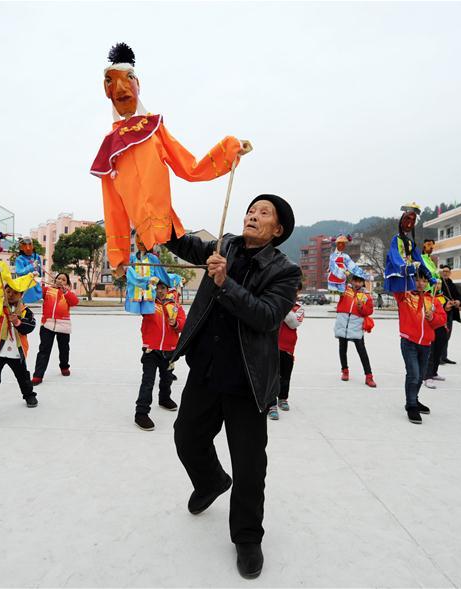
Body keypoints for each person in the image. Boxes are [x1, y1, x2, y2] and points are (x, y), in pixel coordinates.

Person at [165, 194, 300, 579]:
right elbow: (185, 243)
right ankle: (210, 481)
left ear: (278, 230)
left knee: (249, 466)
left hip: (247, 380)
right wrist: (158, 219)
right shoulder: (224, 244)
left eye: (263, 213)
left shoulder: (285, 270)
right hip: (206, 370)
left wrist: (225, 282)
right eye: (251, 210)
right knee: (186, 436)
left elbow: (267, 316)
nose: (252, 216)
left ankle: (246, 537)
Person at [90, 42, 252, 273]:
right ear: (106, 91)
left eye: (128, 78)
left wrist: (230, 150)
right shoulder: (110, 149)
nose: (120, 88)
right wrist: (119, 255)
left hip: (164, 222)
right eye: (111, 82)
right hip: (143, 230)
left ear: (138, 84)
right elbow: (113, 207)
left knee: (198, 250)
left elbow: (190, 167)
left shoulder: (154, 130)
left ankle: (239, 258)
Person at [0, 282, 39, 428]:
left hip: (16, 352)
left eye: (16, 293)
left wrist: (17, 321)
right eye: (8, 291)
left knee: (23, 377)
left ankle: (29, 395)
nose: (11, 295)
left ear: (21, 295)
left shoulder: (25, 311)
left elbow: (30, 327)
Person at [394, 267, 446, 424]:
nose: (420, 283)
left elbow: (441, 320)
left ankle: (414, 399)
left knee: (420, 376)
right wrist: (407, 268)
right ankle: (411, 406)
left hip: (426, 343)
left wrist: (432, 317)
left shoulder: (433, 300)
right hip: (409, 341)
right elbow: (396, 285)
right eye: (417, 279)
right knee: (413, 374)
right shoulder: (405, 296)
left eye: (424, 280)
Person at [134, 279, 186, 430]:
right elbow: (138, 305)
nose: (160, 291)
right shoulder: (149, 305)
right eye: (157, 288)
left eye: (163, 288)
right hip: (151, 349)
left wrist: (175, 324)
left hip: (169, 350)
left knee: (167, 377)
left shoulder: (175, 306)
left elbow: (183, 323)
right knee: (148, 382)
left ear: (168, 289)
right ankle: (141, 413)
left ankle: (164, 398)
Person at [32, 272, 80, 384]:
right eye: (59, 278)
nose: (60, 281)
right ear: (54, 280)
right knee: (44, 350)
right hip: (47, 324)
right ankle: (38, 375)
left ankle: (64, 366)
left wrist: (65, 291)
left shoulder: (68, 293)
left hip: (63, 325)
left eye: (64, 280)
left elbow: (74, 302)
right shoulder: (47, 290)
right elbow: (35, 292)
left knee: (64, 349)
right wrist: (34, 279)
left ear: (67, 283)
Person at [334, 273, 376, 387]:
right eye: (355, 281)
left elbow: (369, 311)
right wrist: (337, 272)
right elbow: (334, 286)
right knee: (342, 349)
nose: (357, 284)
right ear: (351, 281)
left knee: (362, 351)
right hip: (343, 323)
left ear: (363, 283)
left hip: (356, 326)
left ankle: (369, 376)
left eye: (360, 281)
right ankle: (345, 371)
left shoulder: (366, 296)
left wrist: (361, 307)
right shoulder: (344, 290)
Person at [270, 284, 304, 420]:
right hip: (272, 346)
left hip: (288, 348)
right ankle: (271, 404)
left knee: (285, 376)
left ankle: (283, 398)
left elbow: (293, 323)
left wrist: (283, 306)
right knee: (272, 376)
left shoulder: (299, 308)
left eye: (295, 291)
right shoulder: (274, 303)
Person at [384, 202, 433, 293]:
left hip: (408, 276)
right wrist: (404, 267)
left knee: (410, 300)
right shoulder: (395, 240)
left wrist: (429, 275)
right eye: (408, 220)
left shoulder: (410, 243)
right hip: (398, 276)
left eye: (412, 221)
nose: (409, 224)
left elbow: (419, 259)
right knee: (404, 301)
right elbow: (394, 256)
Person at [423, 279, 456, 389]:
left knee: (438, 352)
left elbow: (444, 313)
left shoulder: (443, 297)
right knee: (431, 353)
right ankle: (427, 376)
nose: (438, 286)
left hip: (442, 327)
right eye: (436, 284)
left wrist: (448, 308)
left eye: (440, 284)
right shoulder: (428, 298)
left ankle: (434, 372)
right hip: (432, 328)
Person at [125, 237, 172, 315]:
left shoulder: (153, 258)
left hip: (149, 292)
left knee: (148, 316)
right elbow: (125, 272)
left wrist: (175, 279)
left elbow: (161, 273)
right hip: (135, 292)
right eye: (139, 238)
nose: (141, 241)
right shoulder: (132, 258)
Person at [439, 265, 461, 364]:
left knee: (447, 335)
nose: (445, 273)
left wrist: (458, 301)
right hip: (441, 312)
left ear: (450, 273)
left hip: (450, 312)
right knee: (441, 335)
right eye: (444, 271)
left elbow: (458, 295)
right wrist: (445, 304)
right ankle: (438, 357)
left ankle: (444, 356)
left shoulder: (451, 283)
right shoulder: (439, 283)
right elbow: (438, 296)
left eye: (447, 271)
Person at [14, 237, 44, 304]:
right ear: (21, 248)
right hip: (26, 288)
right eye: (25, 245)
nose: (28, 248)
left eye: (30, 245)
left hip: (36, 286)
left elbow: (40, 273)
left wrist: (40, 279)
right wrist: (31, 266)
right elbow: (19, 272)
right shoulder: (19, 259)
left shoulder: (37, 257)